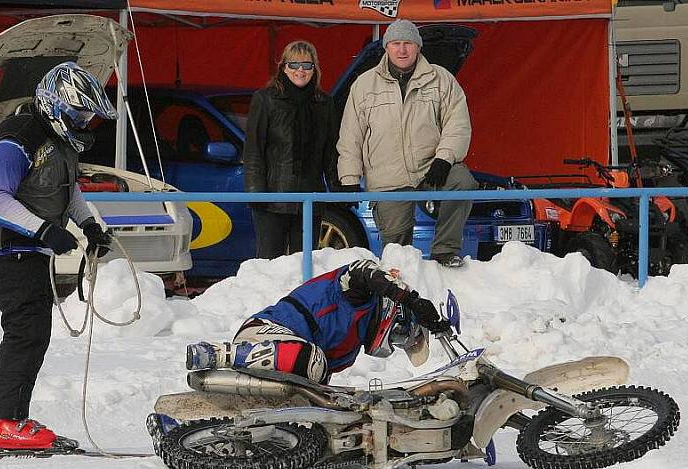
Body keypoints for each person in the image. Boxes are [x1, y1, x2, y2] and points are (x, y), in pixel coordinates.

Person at [0, 62, 116, 449]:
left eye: (87, 116)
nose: (83, 122)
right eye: (78, 114)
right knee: (26, 332)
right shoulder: (16, 138)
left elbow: (67, 189)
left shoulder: (58, 141)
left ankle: (10, 416)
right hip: (7, 250)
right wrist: (44, 230)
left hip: (31, 251)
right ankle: (1, 422)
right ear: (55, 104)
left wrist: (89, 226)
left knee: (34, 332)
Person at [337, 19, 477, 268]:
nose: (402, 50)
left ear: (418, 47)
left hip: (431, 168)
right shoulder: (364, 85)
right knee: (396, 254)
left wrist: (444, 159)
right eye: (396, 44)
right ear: (386, 47)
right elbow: (350, 136)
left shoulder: (441, 79)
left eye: (408, 44)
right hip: (388, 178)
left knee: (462, 181)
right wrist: (349, 179)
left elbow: (458, 123)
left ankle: (445, 251)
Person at [186, 259, 450, 383]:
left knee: (318, 378)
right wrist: (412, 300)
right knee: (312, 360)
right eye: (400, 333)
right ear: (393, 313)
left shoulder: (349, 351)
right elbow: (364, 271)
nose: (393, 341)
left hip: (289, 363)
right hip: (266, 333)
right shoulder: (357, 291)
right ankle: (218, 354)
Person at [243, 40, 351, 259]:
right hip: (272, 199)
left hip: (311, 198)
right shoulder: (265, 99)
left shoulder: (325, 103)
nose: (300, 70)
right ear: (283, 67)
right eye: (294, 64)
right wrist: (256, 192)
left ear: (315, 69)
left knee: (304, 264)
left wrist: (339, 186)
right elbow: (253, 150)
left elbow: (331, 151)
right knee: (269, 263)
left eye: (307, 65)